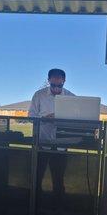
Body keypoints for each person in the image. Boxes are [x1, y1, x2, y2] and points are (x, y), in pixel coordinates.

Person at [29, 69, 75, 202]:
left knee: (59, 178)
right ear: (48, 81)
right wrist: (44, 118)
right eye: (53, 85)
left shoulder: (71, 97)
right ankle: (37, 206)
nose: (56, 89)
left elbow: (77, 117)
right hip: (42, 142)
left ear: (64, 82)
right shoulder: (39, 95)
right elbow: (31, 116)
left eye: (59, 86)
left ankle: (58, 207)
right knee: (37, 176)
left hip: (62, 143)